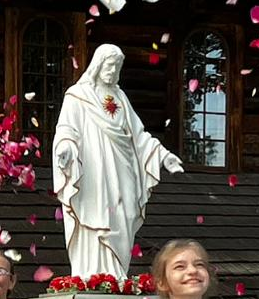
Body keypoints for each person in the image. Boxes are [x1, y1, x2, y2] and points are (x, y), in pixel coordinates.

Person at [52, 43, 183, 279]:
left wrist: (164, 156)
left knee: (122, 216)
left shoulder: (120, 97)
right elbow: (66, 130)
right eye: (110, 65)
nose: (113, 71)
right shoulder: (77, 96)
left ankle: (116, 274)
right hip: (91, 172)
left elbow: (139, 135)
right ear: (99, 64)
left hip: (121, 170)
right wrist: (65, 149)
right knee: (93, 216)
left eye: (117, 67)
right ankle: (90, 274)